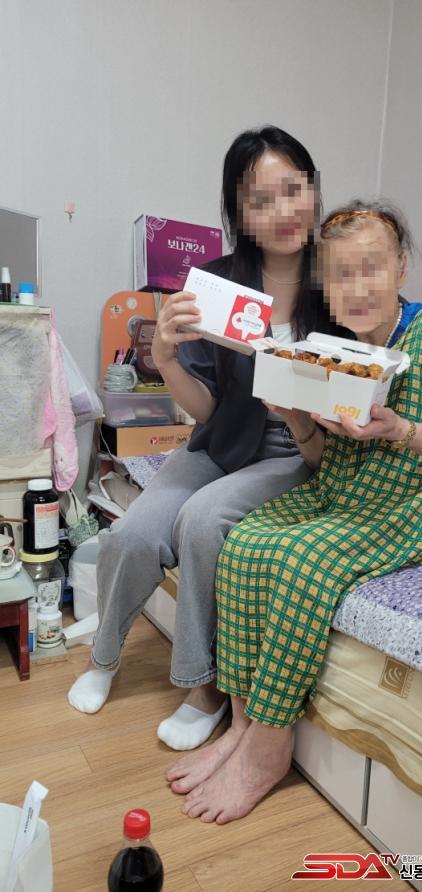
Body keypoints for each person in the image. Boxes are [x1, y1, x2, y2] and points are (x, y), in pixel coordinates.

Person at [169, 199, 422, 824]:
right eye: (342, 274)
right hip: (349, 491)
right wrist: (295, 416)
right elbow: (321, 459)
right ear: (326, 286)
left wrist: (398, 429)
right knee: (247, 542)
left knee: (301, 561)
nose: (358, 287)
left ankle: (269, 747)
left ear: (401, 269)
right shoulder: (335, 347)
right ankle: (241, 724)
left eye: (372, 268)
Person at [67, 126, 348, 745]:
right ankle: (104, 657)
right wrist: (167, 360)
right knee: (134, 532)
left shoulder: (339, 277)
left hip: (298, 450)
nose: (283, 211)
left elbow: (409, 320)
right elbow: (206, 409)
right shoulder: (217, 285)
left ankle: (206, 685)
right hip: (221, 440)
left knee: (201, 521)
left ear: (313, 189)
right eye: (260, 201)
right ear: (238, 214)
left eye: (293, 190)